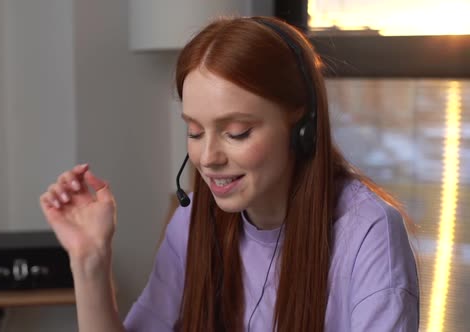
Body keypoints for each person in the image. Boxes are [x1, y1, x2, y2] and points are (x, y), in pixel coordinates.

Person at [39, 16, 419, 332]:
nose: (207, 157)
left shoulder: (369, 233)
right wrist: (90, 261)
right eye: (194, 131)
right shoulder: (192, 225)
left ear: (301, 125)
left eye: (236, 132)